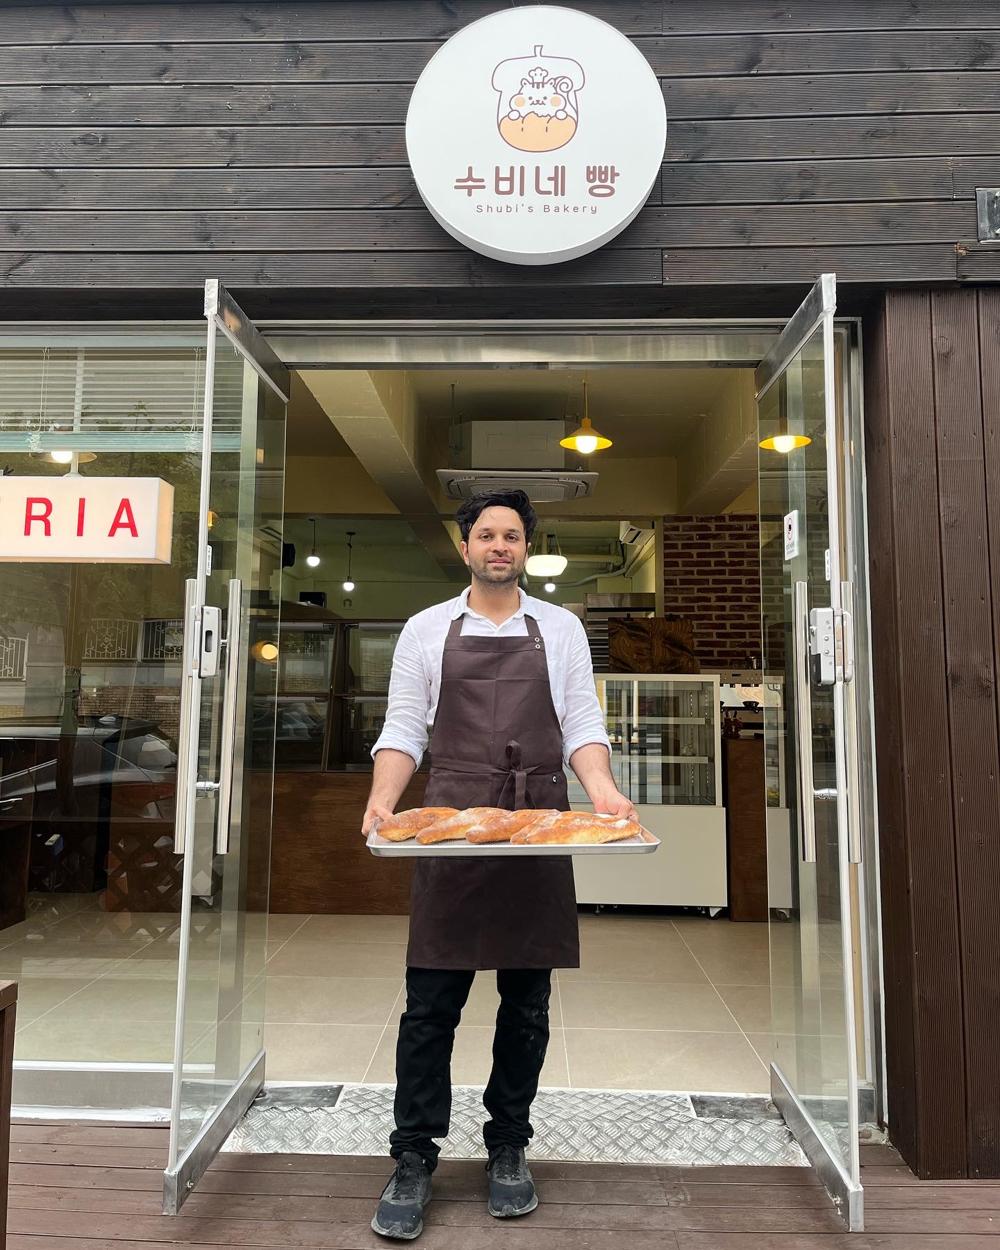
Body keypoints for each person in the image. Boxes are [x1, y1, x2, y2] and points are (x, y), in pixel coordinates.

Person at [362, 489, 633, 1241]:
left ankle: (508, 1145)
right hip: (452, 825)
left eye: (512, 535)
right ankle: (414, 1154)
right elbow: (403, 727)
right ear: (466, 548)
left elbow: (581, 722)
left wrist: (603, 792)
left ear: (526, 549)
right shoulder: (425, 629)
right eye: (486, 535)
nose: (499, 546)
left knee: (527, 1005)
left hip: (536, 822)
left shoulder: (560, 627)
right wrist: (382, 801)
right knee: (430, 1004)